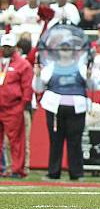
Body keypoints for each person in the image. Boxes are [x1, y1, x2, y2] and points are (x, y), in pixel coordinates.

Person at [33, 36, 91, 181]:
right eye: (63, 48)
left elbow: (92, 86)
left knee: (75, 141)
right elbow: (38, 87)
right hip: (55, 108)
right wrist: (38, 76)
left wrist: (90, 77)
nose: (65, 51)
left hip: (76, 108)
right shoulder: (51, 67)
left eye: (68, 48)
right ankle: (54, 172)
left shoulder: (81, 67)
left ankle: (76, 173)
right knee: (56, 140)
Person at [0, 34, 33, 178]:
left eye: (9, 47)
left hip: (13, 107)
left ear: (14, 47)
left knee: (16, 141)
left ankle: (17, 169)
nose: (6, 49)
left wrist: (23, 105)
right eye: (4, 46)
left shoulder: (22, 64)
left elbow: (27, 86)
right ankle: (3, 168)